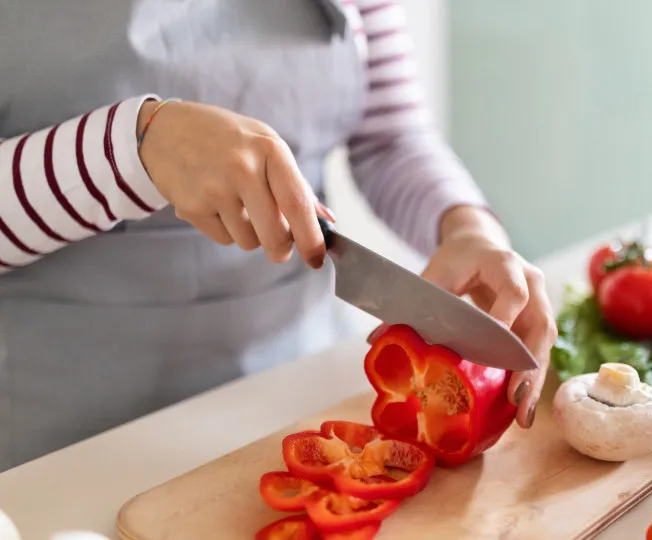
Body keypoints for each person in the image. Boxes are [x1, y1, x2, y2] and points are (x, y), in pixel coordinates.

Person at [0, 0, 557, 471]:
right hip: (56, 444)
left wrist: (466, 225)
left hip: (296, 392)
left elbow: (390, 136)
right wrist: (129, 148)